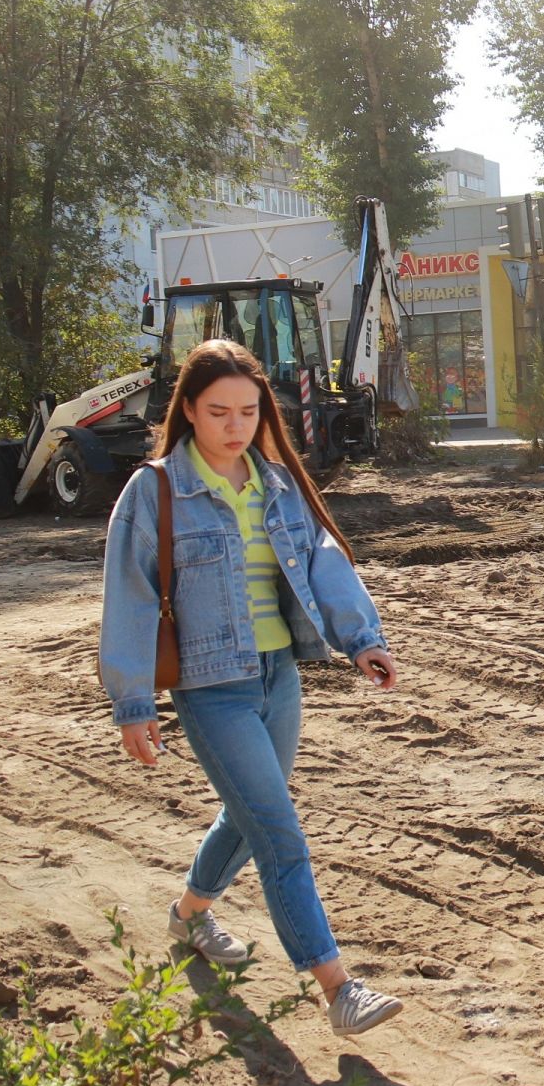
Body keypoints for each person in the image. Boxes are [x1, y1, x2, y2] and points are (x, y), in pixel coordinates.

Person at [99, 339, 405, 1038]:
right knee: (278, 832)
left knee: (246, 815)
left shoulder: (274, 482)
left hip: (280, 677)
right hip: (212, 688)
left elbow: (323, 559)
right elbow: (130, 598)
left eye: (247, 410)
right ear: (189, 412)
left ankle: (189, 917)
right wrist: (132, 702)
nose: (235, 425)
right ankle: (338, 987)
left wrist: (362, 638)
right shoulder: (154, 492)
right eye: (218, 412)